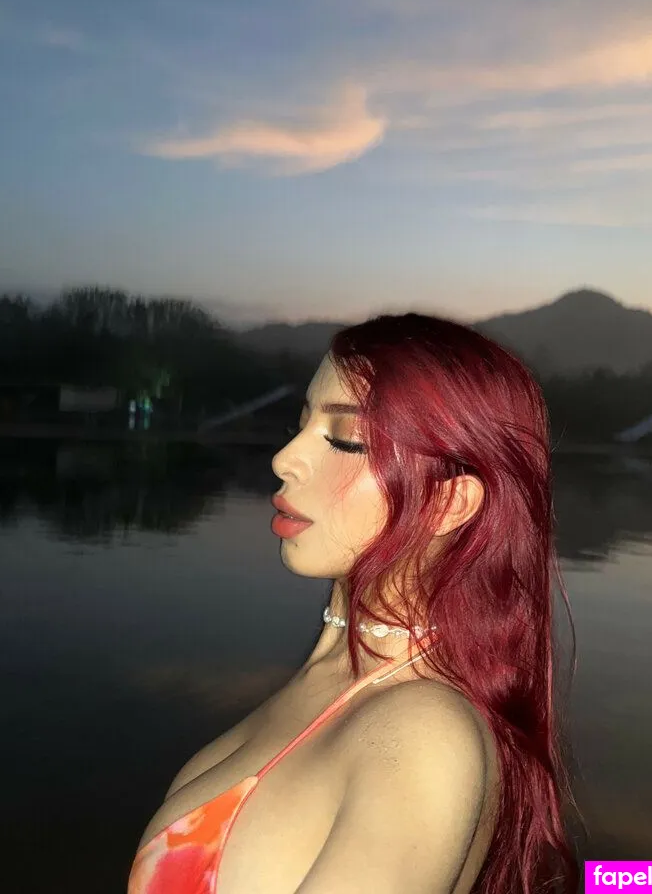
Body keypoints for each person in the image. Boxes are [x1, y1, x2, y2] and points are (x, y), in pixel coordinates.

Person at [127, 312, 578, 894]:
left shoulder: (420, 735)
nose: (284, 458)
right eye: (302, 423)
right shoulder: (340, 679)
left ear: (448, 504)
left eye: (346, 438)